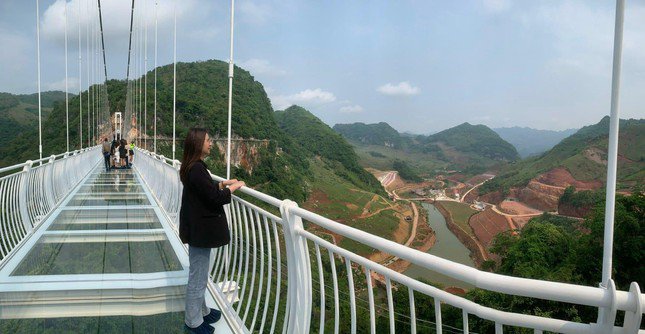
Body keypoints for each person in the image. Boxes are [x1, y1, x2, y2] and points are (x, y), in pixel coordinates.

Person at [179, 128, 245, 334]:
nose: (211, 143)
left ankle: (202, 311)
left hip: (198, 229)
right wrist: (233, 188)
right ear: (199, 143)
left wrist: (223, 183)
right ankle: (193, 321)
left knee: (200, 275)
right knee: (197, 277)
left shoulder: (195, 167)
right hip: (200, 231)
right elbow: (214, 198)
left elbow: (204, 190)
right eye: (208, 140)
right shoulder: (196, 169)